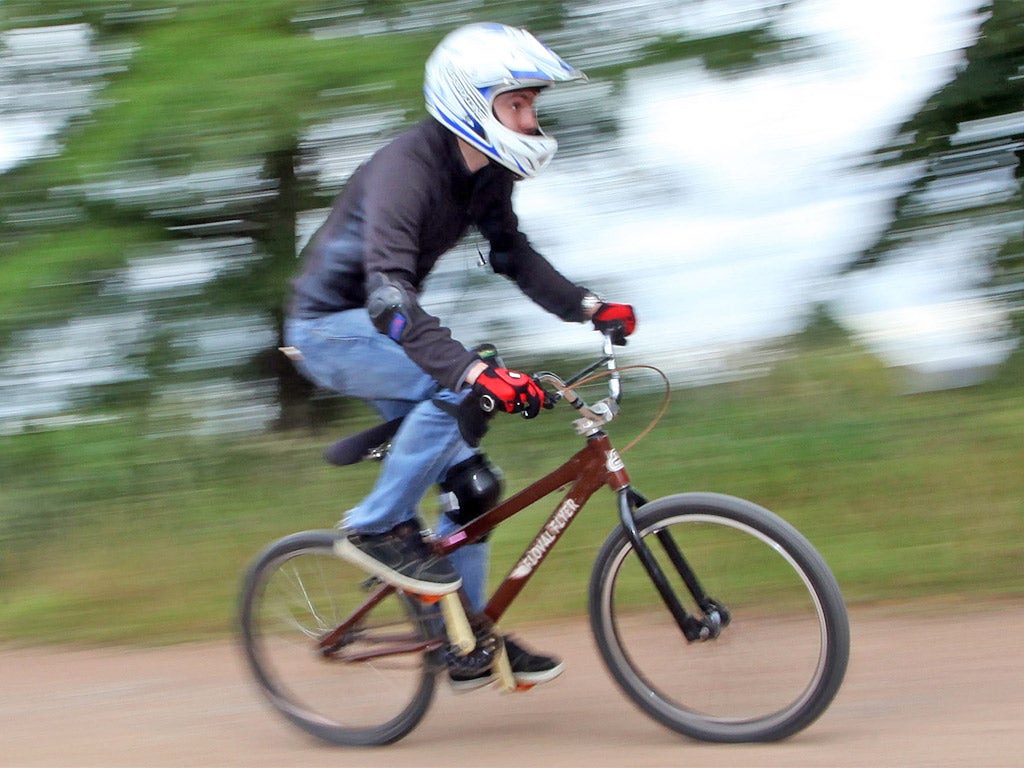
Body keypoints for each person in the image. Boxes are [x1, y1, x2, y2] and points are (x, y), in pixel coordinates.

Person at [284, 22, 636, 690]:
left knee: (474, 488)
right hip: (328, 328)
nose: (531, 118)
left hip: (381, 330)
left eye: (532, 104)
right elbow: (389, 302)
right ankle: (377, 526)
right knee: (460, 385)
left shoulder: (485, 174)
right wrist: (475, 373)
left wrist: (589, 307)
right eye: (518, 104)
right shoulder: (405, 172)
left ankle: (462, 639)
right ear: (469, 102)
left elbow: (512, 254)